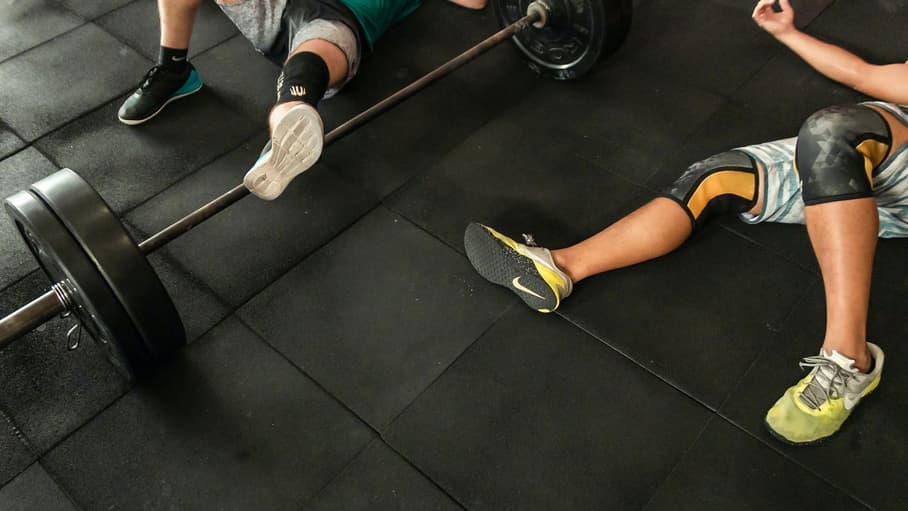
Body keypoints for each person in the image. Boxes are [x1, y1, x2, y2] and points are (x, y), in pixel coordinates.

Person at [464, 0, 908, 446]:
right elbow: (864, 76)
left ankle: (849, 360)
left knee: (832, 133)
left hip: (872, 157)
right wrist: (788, 34)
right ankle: (559, 267)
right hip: (871, 156)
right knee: (715, 177)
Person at [117, 0, 487, 199]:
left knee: (316, 55)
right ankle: (174, 69)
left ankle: (289, 124)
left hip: (339, 20)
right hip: (278, 6)